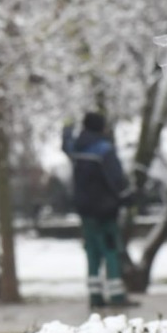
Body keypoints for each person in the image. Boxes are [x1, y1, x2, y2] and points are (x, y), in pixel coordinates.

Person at [62, 112, 134, 308]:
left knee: (92, 251)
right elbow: (116, 179)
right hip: (106, 210)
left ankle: (95, 296)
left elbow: (65, 144)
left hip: (84, 209)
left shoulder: (76, 148)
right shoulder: (104, 150)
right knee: (110, 250)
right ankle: (117, 296)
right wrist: (127, 196)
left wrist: (67, 125)